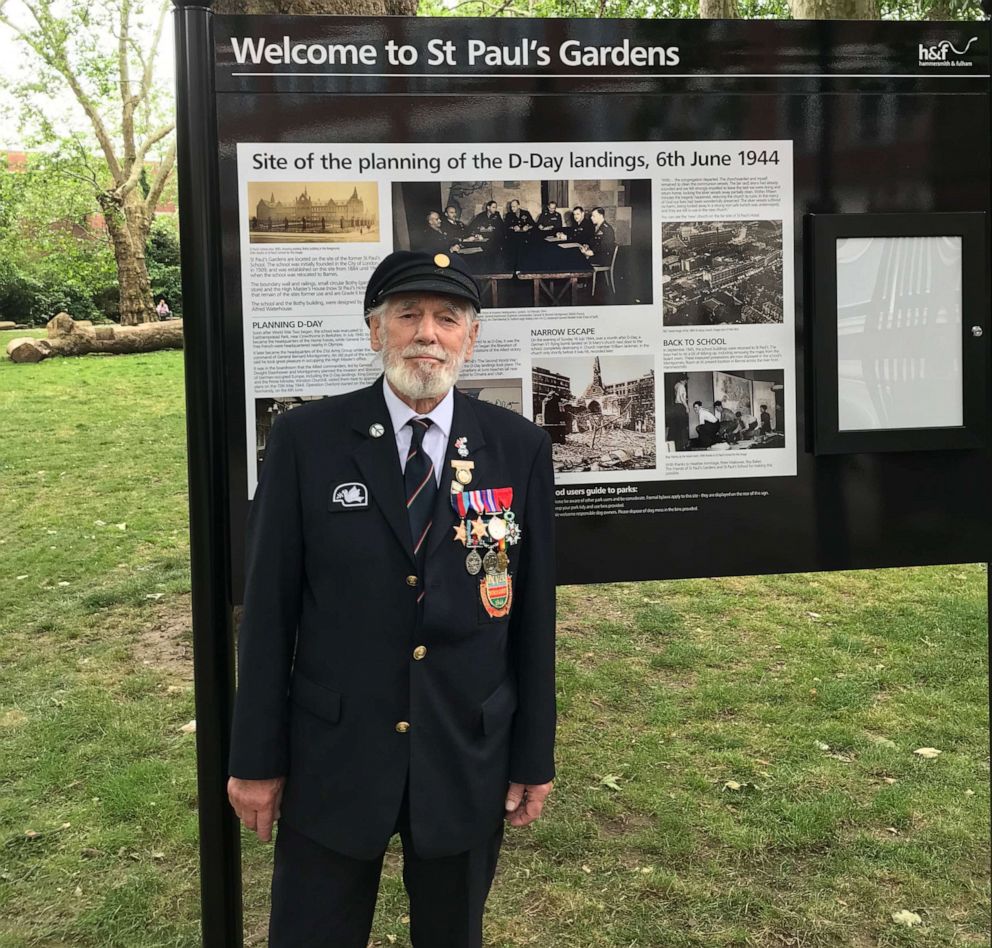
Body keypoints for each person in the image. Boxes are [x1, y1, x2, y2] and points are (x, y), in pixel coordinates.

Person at [228, 250, 557, 948]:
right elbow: (268, 613)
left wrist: (534, 756)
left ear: (471, 338)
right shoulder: (306, 441)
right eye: (407, 315)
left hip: (466, 749)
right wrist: (255, 759)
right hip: (335, 753)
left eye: (447, 319)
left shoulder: (518, 447)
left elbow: (532, 618)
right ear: (376, 331)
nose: (426, 335)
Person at [671, 374, 690, 450]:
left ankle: (678, 445)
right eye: (685, 380)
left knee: (677, 427)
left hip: (676, 406)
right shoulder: (682, 386)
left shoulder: (676, 385)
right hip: (681, 407)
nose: (686, 382)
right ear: (683, 380)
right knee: (683, 427)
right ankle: (684, 445)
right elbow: (682, 398)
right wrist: (687, 407)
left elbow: (676, 395)